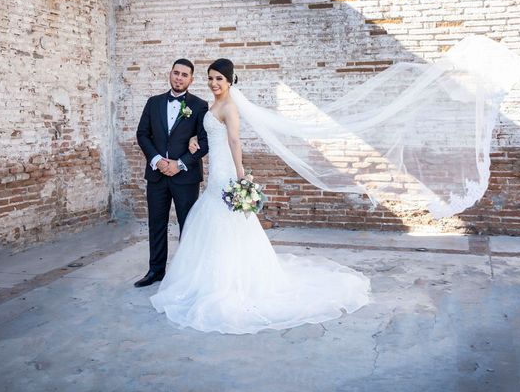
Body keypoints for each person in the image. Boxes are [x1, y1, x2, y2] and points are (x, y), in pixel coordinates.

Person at [149, 59, 371, 334]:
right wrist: (194, 140)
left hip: (227, 170)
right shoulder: (210, 105)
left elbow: (234, 141)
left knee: (227, 219)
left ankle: (231, 280)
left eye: (219, 79)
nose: (214, 83)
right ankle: (205, 277)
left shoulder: (230, 106)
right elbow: (205, 136)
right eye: (211, 78)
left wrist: (241, 175)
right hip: (215, 168)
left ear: (230, 81)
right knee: (213, 219)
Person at [134, 59, 209, 288]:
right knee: (156, 223)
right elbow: (142, 134)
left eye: (184, 75)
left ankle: (187, 274)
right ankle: (155, 271)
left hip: (185, 177)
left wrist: (180, 164)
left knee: (187, 224)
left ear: (191, 79)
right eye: (176, 73)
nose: (179, 78)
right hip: (157, 175)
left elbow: (205, 142)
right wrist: (157, 161)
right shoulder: (153, 102)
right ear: (170, 74)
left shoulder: (199, 106)